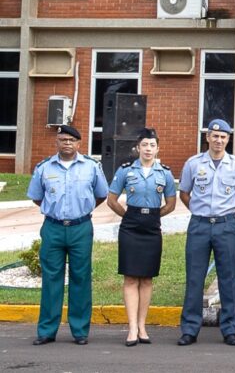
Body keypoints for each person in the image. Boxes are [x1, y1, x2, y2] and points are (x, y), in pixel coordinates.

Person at [28, 125, 108, 346]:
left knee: (81, 278)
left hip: (80, 228)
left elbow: (101, 194)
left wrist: (82, 210)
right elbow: (36, 197)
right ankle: (47, 330)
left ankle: (80, 331)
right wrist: (54, 212)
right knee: (51, 279)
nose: (67, 144)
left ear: (79, 144)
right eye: (63, 139)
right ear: (57, 142)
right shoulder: (44, 167)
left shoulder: (91, 167)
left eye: (71, 140)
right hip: (53, 227)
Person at [177, 119, 235, 347]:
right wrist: (200, 211)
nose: (219, 140)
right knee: (195, 277)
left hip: (225, 225)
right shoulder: (193, 163)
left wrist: (225, 214)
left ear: (228, 139)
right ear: (207, 137)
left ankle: (229, 329)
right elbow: (184, 193)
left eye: (223, 137)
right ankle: (190, 329)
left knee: (228, 277)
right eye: (215, 136)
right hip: (199, 225)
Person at [106, 127, 177, 345]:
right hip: (130, 227)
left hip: (152, 227)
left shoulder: (164, 173)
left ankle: (142, 326)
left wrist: (154, 216)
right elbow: (111, 200)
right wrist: (128, 216)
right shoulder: (126, 170)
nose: (148, 149)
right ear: (138, 147)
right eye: (144, 145)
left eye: (152, 145)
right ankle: (132, 328)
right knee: (130, 277)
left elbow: (171, 204)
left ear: (158, 149)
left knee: (146, 278)